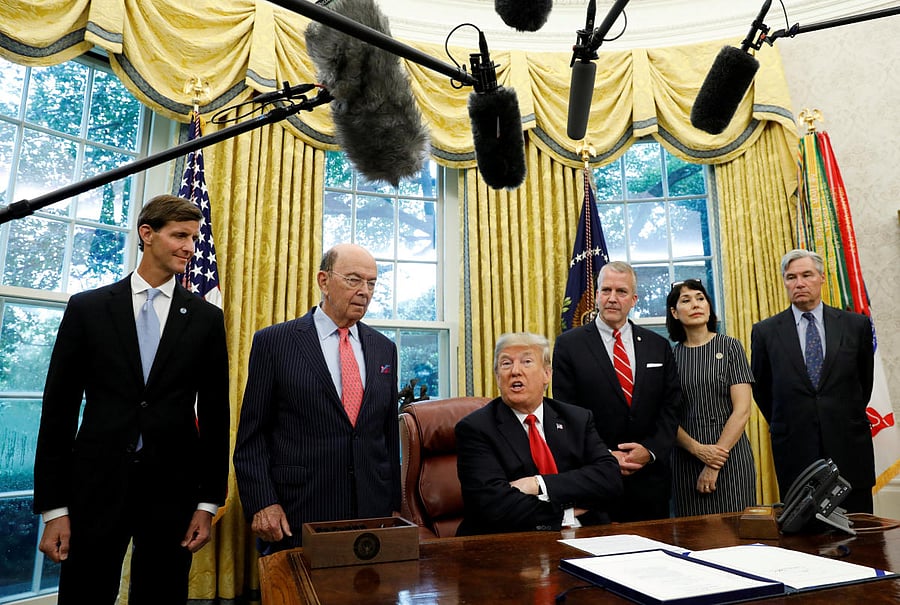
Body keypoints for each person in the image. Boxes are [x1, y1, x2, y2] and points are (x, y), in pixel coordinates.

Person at [33, 194, 231, 605]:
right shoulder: (87, 309)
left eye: (194, 238)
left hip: (173, 492)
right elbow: (58, 412)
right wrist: (54, 509)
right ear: (147, 234)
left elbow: (215, 414)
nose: (190, 248)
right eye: (180, 235)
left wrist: (208, 503)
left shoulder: (206, 318)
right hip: (95, 488)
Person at [233, 243, 400, 551]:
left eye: (372, 282)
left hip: (370, 516)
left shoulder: (383, 348)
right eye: (353, 280)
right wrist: (262, 502)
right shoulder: (275, 342)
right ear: (324, 281)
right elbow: (252, 437)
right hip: (297, 514)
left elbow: (388, 435)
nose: (365, 291)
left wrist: (393, 506)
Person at [455, 332, 622, 536]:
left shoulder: (577, 418)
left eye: (526, 361)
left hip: (586, 535)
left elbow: (609, 478)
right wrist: (566, 513)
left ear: (547, 374)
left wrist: (537, 484)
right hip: (508, 543)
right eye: (506, 364)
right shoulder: (476, 428)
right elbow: (493, 504)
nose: (515, 371)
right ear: (498, 377)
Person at [553, 261, 681, 522]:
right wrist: (605, 455)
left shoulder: (658, 346)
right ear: (597, 295)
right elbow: (566, 412)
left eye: (621, 292)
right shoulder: (569, 345)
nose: (612, 298)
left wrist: (650, 450)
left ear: (633, 299)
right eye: (606, 290)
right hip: (596, 477)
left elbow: (671, 406)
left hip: (651, 482)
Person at [751, 249, 875, 513]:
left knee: (860, 532)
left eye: (807, 275)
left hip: (848, 445)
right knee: (803, 534)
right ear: (785, 282)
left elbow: (864, 383)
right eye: (791, 277)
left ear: (821, 278)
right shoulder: (765, 332)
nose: (799, 283)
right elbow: (762, 389)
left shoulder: (856, 325)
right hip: (795, 448)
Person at [665, 279, 756, 515]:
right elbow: (666, 416)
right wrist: (697, 450)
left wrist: (714, 461)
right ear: (674, 312)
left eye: (700, 298)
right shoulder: (670, 357)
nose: (695, 304)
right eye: (686, 300)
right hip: (687, 457)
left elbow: (742, 410)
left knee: (736, 537)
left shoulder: (730, 347)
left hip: (731, 456)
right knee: (693, 538)